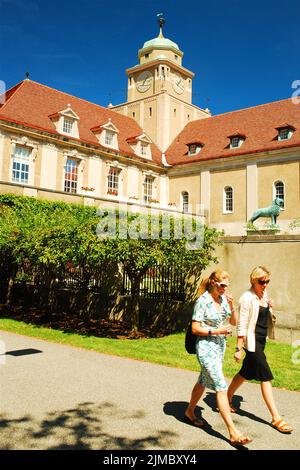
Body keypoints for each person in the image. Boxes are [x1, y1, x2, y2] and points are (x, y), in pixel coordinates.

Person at [185, 270, 252, 446]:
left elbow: (233, 322)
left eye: (226, 286)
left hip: (219, 347)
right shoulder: (203, 301)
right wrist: (217, 331)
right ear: (213, 283)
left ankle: (190, 411)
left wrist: (230, 307)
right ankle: (233, 433)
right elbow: (195, 329)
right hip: (205, 347)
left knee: (203, 380)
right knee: (221, 385)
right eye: (222, 285)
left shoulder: (222, 300)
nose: (224, 289)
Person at [227, 266, 293, 434]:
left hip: (261, 341)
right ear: (253, 280)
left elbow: (263, 317)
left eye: (267, 281)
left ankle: (226, 398)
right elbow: (242, 324)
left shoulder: (263, 295)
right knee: (265, 376)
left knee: (245, 372)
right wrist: (238, 347)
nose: (265, 285)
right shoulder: (246, 298)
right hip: (252, 342)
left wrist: (269, 307)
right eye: (262, 281)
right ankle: (276, 417)